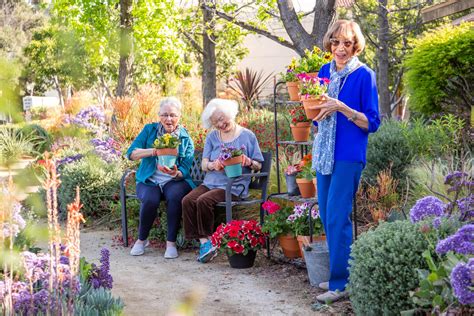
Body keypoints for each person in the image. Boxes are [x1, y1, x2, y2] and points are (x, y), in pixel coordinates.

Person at [309, 20, 381, 302]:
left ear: (355, 46)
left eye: (347, 43)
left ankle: (342, 283)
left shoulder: (365, 75)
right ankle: (339, 275)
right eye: (336, 42)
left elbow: (372, 122)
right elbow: (316, 109)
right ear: (330, 43)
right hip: (325, 151)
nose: (340, 48)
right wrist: (314, 113)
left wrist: (342, 108)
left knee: (338, 216)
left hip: (349, 155)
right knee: (326, 214)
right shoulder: (324, 71)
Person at [182, 98, 264, 263]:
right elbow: (204, 164)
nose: (219, 124)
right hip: (210, 182)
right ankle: (205, 242)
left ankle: (209, 243)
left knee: (204, 201)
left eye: (221, 119)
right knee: (188, 200)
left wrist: (248, 162)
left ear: (230, 114)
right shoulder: (212, 137)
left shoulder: (247, 136)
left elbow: (259, 164)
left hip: (233, 187)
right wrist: (213, 164)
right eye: (215, 122)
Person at [126, 97, 195, 259]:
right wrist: (155, 151)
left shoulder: (185, 139)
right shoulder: (149, 130)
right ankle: (142, 240)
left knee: (175, 195)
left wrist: (176, 173)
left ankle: (171, 243)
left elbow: (185, 168)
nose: (169, 119)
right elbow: (131, 153)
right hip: (150, 180)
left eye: (173, 115)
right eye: (164, 115)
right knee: (150, 199)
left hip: (174, 180)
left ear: (179, 116)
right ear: (159, 115)